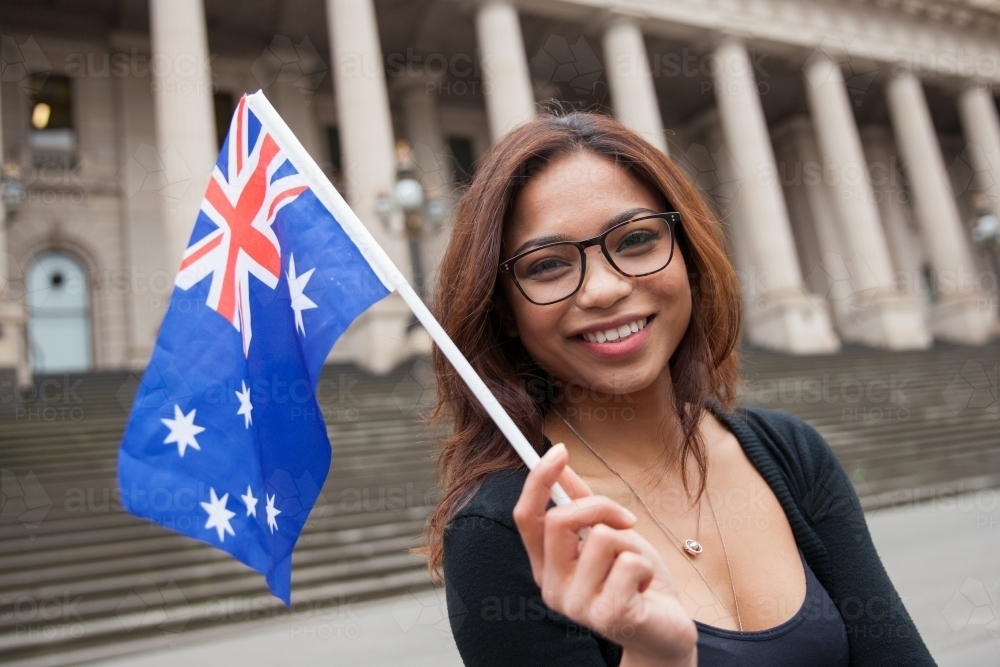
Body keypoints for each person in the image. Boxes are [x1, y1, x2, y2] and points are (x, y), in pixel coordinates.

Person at [418, 111, 937, 667]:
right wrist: (655, 656)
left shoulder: (793, 455)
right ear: (503, 307)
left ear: (688, 251)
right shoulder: (500, 532)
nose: (604, 289)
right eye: (547, 265)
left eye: (637, 238)